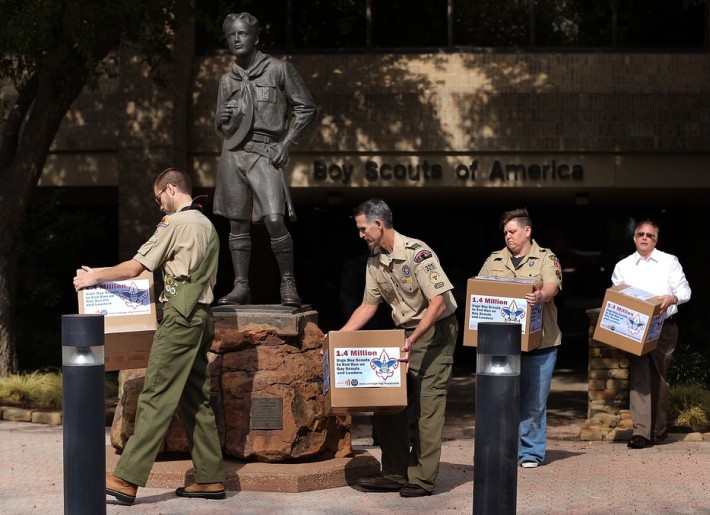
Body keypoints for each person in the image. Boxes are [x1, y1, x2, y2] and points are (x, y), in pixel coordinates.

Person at [73, 168, 226, 504]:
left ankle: (126, 479)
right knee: (194, 399)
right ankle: (211, 477)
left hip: (180, 318)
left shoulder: (177, 224)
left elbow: (136, 268)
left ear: (171, 189)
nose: (160, 206)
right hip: (202, 318)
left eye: (159, 198)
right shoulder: (208, 225)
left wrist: (95, 276)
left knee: (155, 394)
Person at [341, 199, 458, 497]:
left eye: (362, 228)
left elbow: (438, 302)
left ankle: (421, 479)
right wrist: (337, 340)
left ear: (378, 225)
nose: (360, 235)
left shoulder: (418, 253)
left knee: (426, 406)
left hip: (434, 332)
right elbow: (368, 306)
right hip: (404, 334)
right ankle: (394, 472)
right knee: (388, 402)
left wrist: (414, 337)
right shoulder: (374, 260)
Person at [213, 12, 316, 307]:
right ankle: (241, 286)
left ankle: (287, 283)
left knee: (273, 218)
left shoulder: (278, 69)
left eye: (242, 34)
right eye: (231, 35)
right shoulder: (226, 79)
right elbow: (220, 127)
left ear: (255, 37)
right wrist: (221, 119)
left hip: (264, 152)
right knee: (237, 225)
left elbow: (306, 107)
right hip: (233, 155)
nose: (236, 39)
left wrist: (288, 143)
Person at [477, 208, 562, 468]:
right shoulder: (494, 260)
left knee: (534, 401)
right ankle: (502, 450)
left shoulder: (546, 257)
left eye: (512, 231)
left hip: (541, 344)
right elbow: (479, 289)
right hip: (503, 344)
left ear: (527, 231)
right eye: (505, 232)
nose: (508, 237)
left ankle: (530, 453)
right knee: (500, 399)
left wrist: (540, 296)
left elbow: (552, 286)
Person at [611, 220, 691, 449]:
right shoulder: (623, 266)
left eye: (649, 235)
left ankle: (658, 429)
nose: (644, 238)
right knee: (639, 376)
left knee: (658, 377)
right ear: (634, 238)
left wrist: (671, 298)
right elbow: (618, 296)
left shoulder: (669, 262)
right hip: (634, 327)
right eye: (640, 234)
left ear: (656, 240)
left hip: (664, 326)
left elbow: (685, 291)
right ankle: (641, 432)